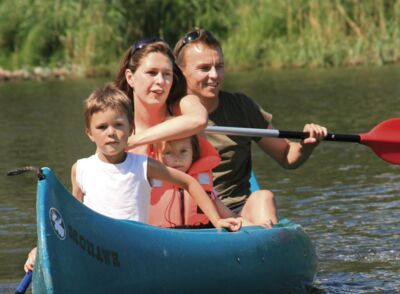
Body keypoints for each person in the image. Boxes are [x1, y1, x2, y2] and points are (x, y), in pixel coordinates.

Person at [24, 83, 241, 272]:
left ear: (130, 129)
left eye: (119, 125)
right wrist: (40, 248)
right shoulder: (80, 168)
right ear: (89, 133)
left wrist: (217, 221)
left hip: (134, 250)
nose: (111, 132)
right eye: (102, 127)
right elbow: (69, 217)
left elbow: (189, 182)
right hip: (97, 251)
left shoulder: (142, 165)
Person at [173, 29, 328, 219]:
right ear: (180, 71)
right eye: (204, 68)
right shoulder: (167, 110)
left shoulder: (241, 106)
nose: (215, 75)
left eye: (219, 66)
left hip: (238, 209)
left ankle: (263, 243)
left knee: (264, 198)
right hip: (185, 212)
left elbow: (287, 156)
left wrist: (306, 146)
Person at [149, 135, 277, 228]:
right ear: (157, 155)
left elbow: (229, 216)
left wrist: (256, 228)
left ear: (194, 153)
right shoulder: (148, 181)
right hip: (161, 237)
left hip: (198, 238)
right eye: (168, 153)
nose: (177, 159)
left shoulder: (204, 185)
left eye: (183, 151)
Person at [114, 38, 208, 155]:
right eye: (152, 73)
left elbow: (199, 119)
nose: (160, 81)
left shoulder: (184, 105)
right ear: (130, 78)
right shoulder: (115, 124)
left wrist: (134, 141)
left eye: (167, 74)